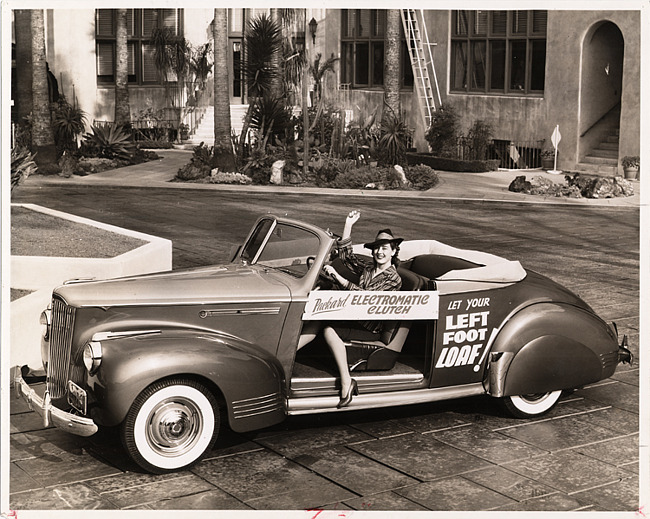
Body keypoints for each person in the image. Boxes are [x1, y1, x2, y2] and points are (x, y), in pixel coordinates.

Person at [298, 210, 403, 408]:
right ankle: (287, 356)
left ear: (394, 251)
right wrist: (348, 225)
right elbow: (347, 258)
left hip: (371, 326)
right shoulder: (369, 269)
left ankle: (347, 380)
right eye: (377, 248)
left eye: (385, 248)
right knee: (316, 317)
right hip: (355, 316)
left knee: (328, 328)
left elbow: (365, 297)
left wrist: (339, 278)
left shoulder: (393, 278)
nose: (379, 252)